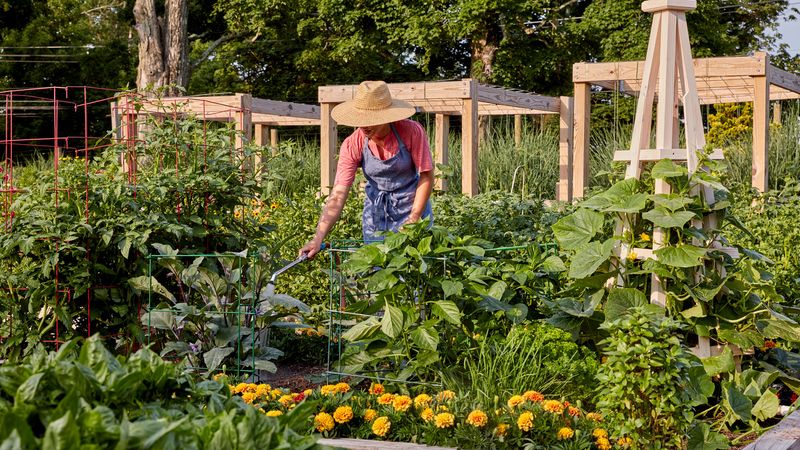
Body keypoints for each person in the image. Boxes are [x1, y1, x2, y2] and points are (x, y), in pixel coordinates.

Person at [300, 80, 434, 258]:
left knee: (414, 270)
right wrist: (317, 237)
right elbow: (338, 194)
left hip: (411, 207)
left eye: (371, 120)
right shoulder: (352, 143)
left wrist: (414, 218)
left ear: (387, 116)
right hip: (376, 213)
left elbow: (426, 175)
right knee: (377, 271)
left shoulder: (411, 131)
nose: (365, 125)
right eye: (361, 119)